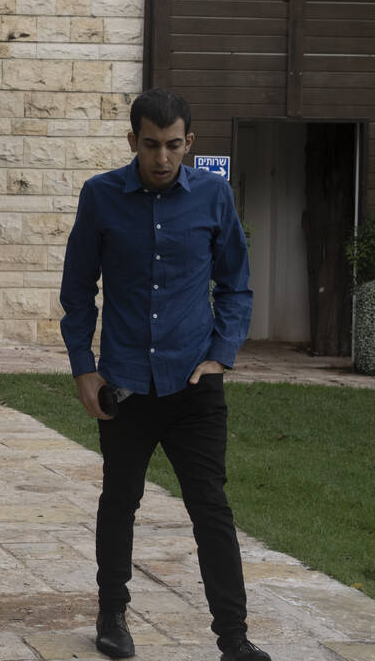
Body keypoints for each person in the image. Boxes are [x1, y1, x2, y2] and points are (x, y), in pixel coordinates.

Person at [59, 88, 270, 661]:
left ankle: (233, 637)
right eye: (150, 145)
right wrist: (84, 368)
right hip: (124, 382)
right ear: (132, 141)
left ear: (190, 143)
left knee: (211, 506)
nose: (161, 158)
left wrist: (221, 354)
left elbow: (236, 284)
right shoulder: (100, 196)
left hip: (193, 385)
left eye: (173, 145)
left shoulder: (213, 195)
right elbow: (78, 292)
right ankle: (112, 616)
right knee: (118, 500)